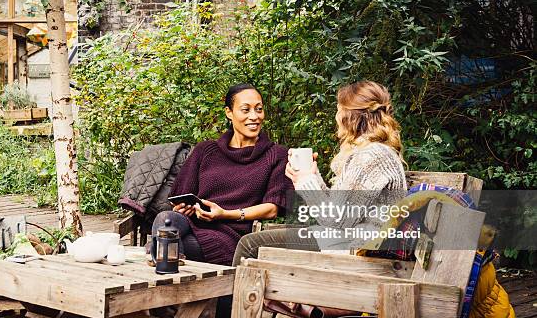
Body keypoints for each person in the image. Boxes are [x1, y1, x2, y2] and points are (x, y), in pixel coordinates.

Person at [233, 79, 407, 264]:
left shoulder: (373, 156)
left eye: (339, 110)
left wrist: (306, 182)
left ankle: (231, 294)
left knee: (250, 245)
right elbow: (338, 211)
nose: (337, 117)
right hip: (347, 240)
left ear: (350, 117)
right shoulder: (371, 152)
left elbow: (336, 221)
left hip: (360, 249)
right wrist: (312, 176)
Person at [151, 83, 292, 266]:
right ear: (229, 112)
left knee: (169, 245)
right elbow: (178, 197)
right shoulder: (206, 150)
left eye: (259, 109)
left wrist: (225, 214)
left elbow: (272, 209)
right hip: (193, 224)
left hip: (232, 234)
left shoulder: (276, 155)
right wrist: (183, 207)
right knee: (166, 220)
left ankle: (157, 262)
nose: (254, 116)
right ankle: (162, 264)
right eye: (245, 110)